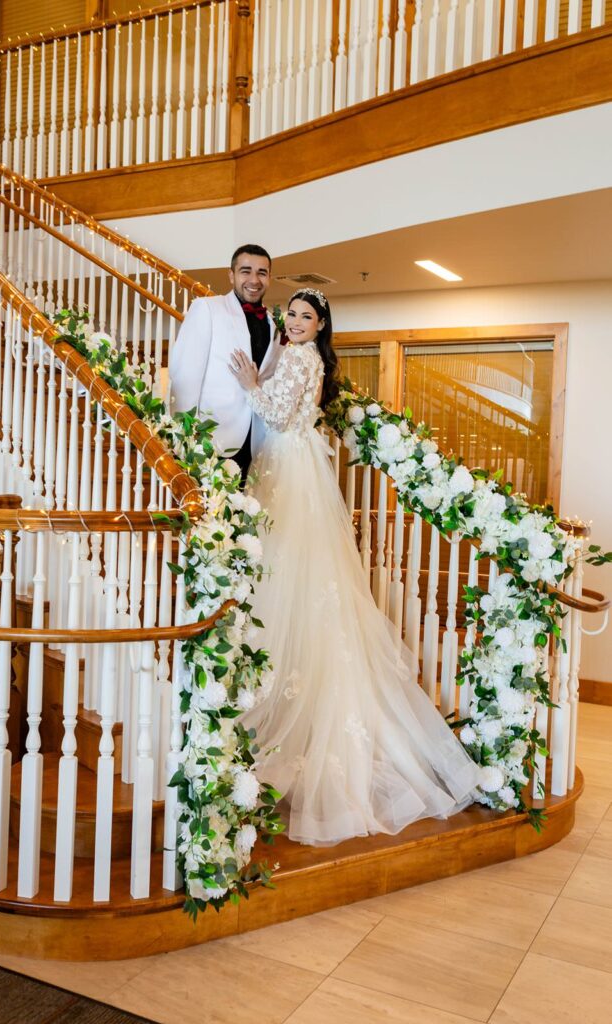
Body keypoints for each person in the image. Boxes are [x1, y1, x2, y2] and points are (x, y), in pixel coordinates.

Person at [229, 289, 479, 846]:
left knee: (285, 578)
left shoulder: (301, 356)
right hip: (289, 471)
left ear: (320, 326)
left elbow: (275, 411)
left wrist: (250, 385)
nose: (294, 322)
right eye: (290, 314)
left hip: (290, 476)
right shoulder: (299, 353)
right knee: (292, 584)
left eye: (305, 317)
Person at [169, 243, 280, 481]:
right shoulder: (208, 308)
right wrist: (184, 439)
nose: (254, 279)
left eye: (262, 272)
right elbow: (184, 377)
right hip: (211, 438)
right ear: (231, 275)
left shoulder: (273, 324)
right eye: (245, 271)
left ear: (270, 277)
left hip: (257, 442)